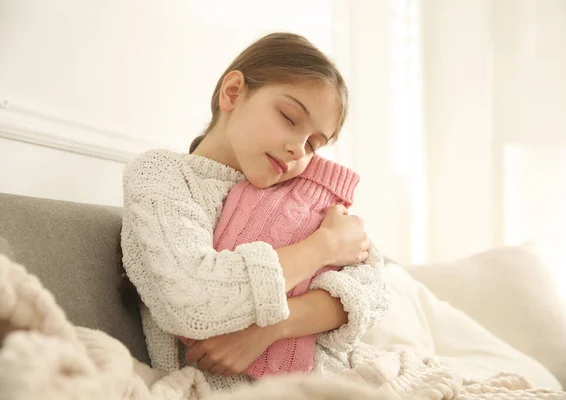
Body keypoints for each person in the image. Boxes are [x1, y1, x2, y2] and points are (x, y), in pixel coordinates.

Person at [120, 32, 389, 393]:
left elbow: (373, 293)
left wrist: (272, 328)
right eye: (289, 117)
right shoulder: (163, 176)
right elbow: (195, 298)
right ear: (232, 92)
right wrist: (323, 247)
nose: (299, 150)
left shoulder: (304, 194)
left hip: (335, 380)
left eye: (314, 144)